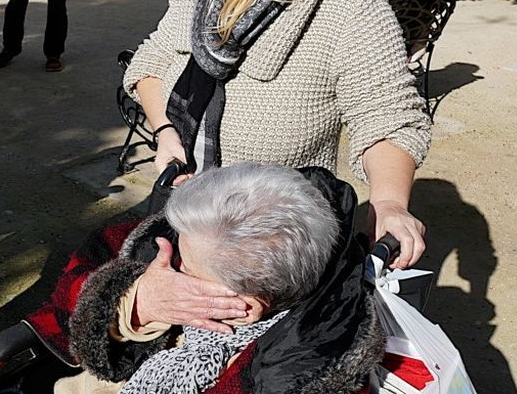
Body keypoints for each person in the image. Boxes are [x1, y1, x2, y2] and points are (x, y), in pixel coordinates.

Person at [117, 0, 430, 335]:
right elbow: (150, 63)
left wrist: (388, 204)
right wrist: (165, 131)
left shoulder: (344, 5)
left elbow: (387, 116)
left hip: (270, 251)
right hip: (181, 214)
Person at [35, 164, 384, 394]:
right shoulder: (196, 235)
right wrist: (134, 302)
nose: (169, 263)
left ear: (243, 308)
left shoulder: (284, 375)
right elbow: (77, 280)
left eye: (186, 268)